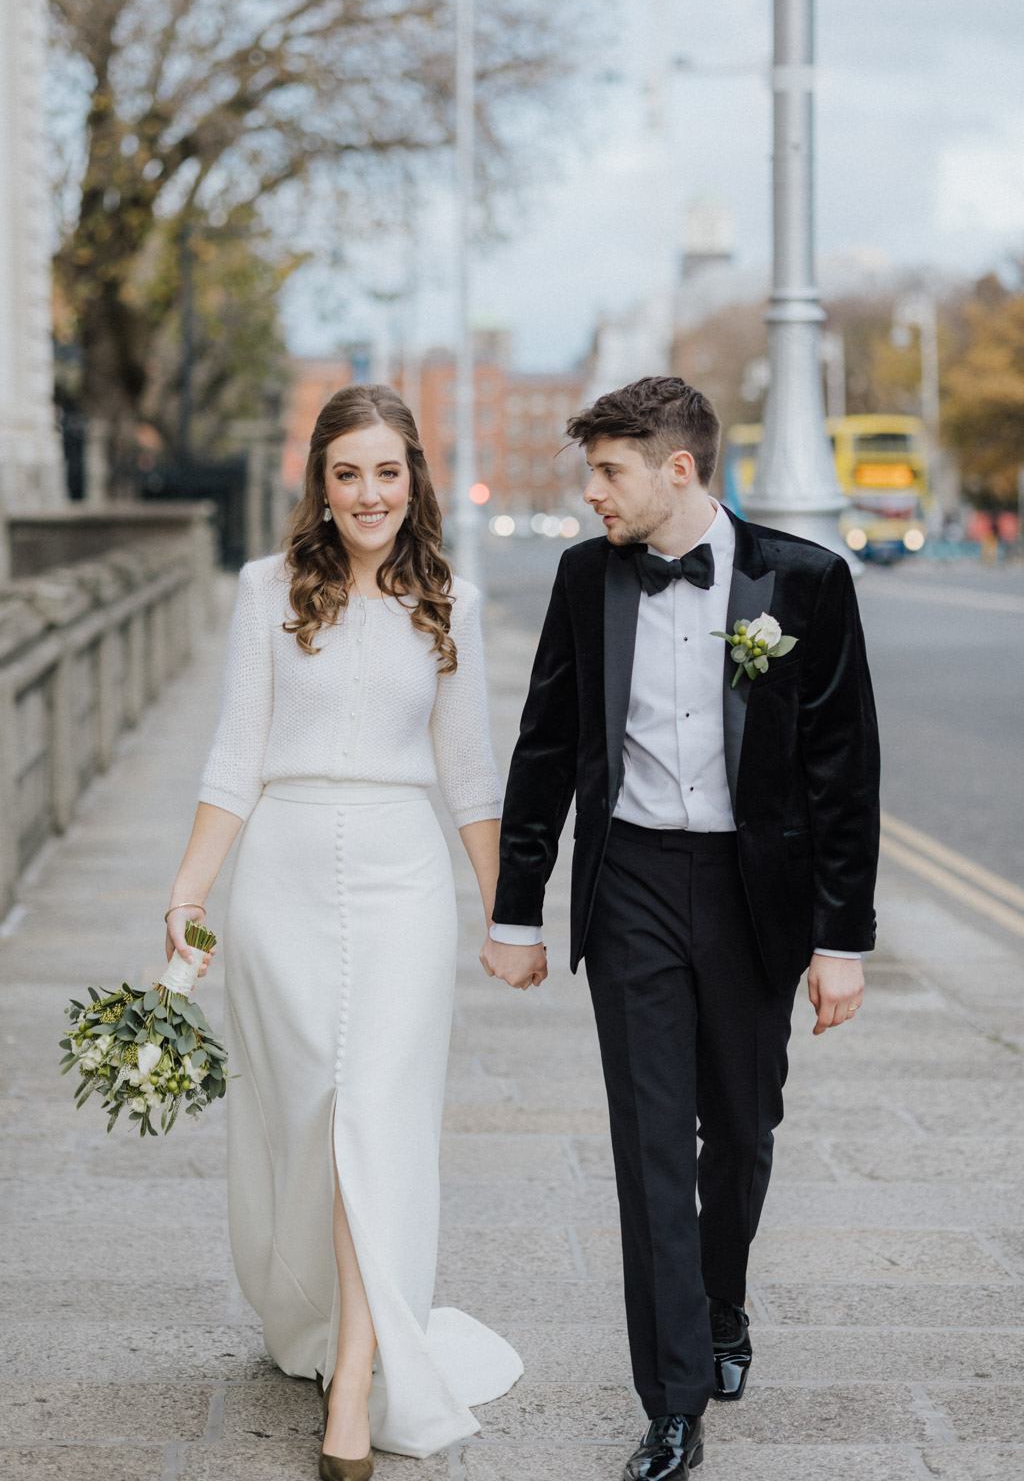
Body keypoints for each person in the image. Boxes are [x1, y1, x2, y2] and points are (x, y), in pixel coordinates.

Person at [481, 377, 880, 1481]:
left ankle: (721, 1301)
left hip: (756, 892)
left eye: (607, 471)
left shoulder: (804, 582)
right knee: (651, 1147)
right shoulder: (581, 579)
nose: (590, 492)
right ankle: (671, 1401)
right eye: (589, 470)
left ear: (678, 469)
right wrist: (516, 908)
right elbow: (547, 747)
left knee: (743, 1131)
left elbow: (845, 773)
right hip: (635, 887)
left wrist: (842, 942)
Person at [166, 385, 522, 1481]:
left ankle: (357, 1383)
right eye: (346, 472)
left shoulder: (448, 600)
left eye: (387, 471)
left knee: (374, 1115)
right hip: (280, 881)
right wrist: (187, 895)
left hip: (402, 879)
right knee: (312, 1118)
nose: (368, 494)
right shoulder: (264, 590)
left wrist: (505, 915)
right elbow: (235, 750)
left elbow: (467, 774)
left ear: (413, 479)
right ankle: (320, 1319)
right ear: (318, 484)